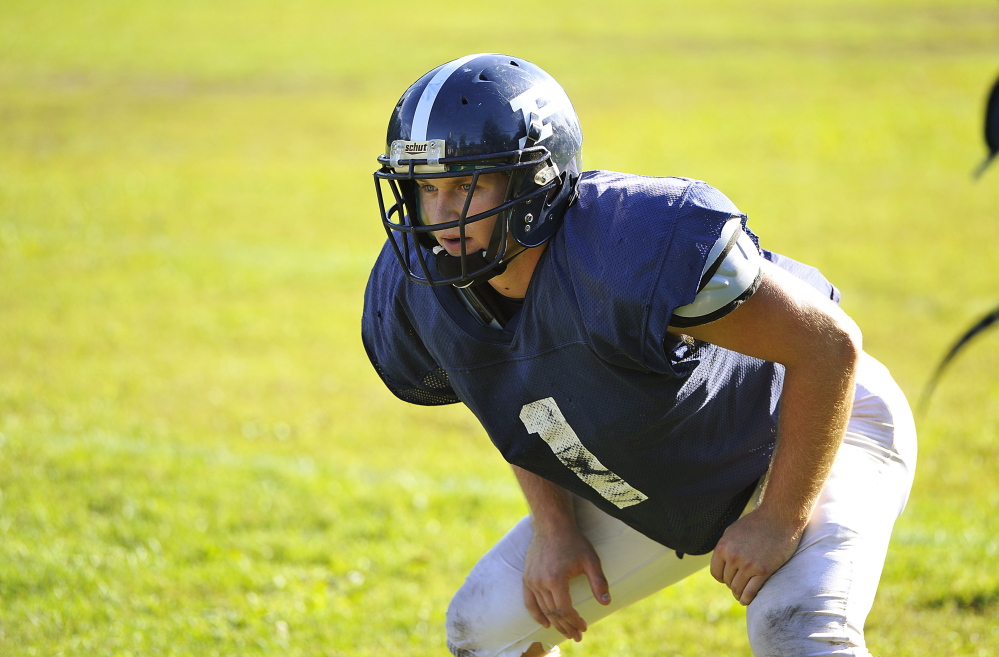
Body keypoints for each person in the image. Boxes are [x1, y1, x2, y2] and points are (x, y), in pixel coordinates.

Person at [362, 53, 917, 657]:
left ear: (532, 181)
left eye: (467, 185)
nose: (441, 216)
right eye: (426, 188)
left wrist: (780, 518)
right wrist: (554, 525)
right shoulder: (421, 287)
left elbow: (828, 345)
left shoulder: (627, 245)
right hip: (675, 464)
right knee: (487, 626)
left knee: (795, 627)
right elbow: (513, 394)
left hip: (805, 418)